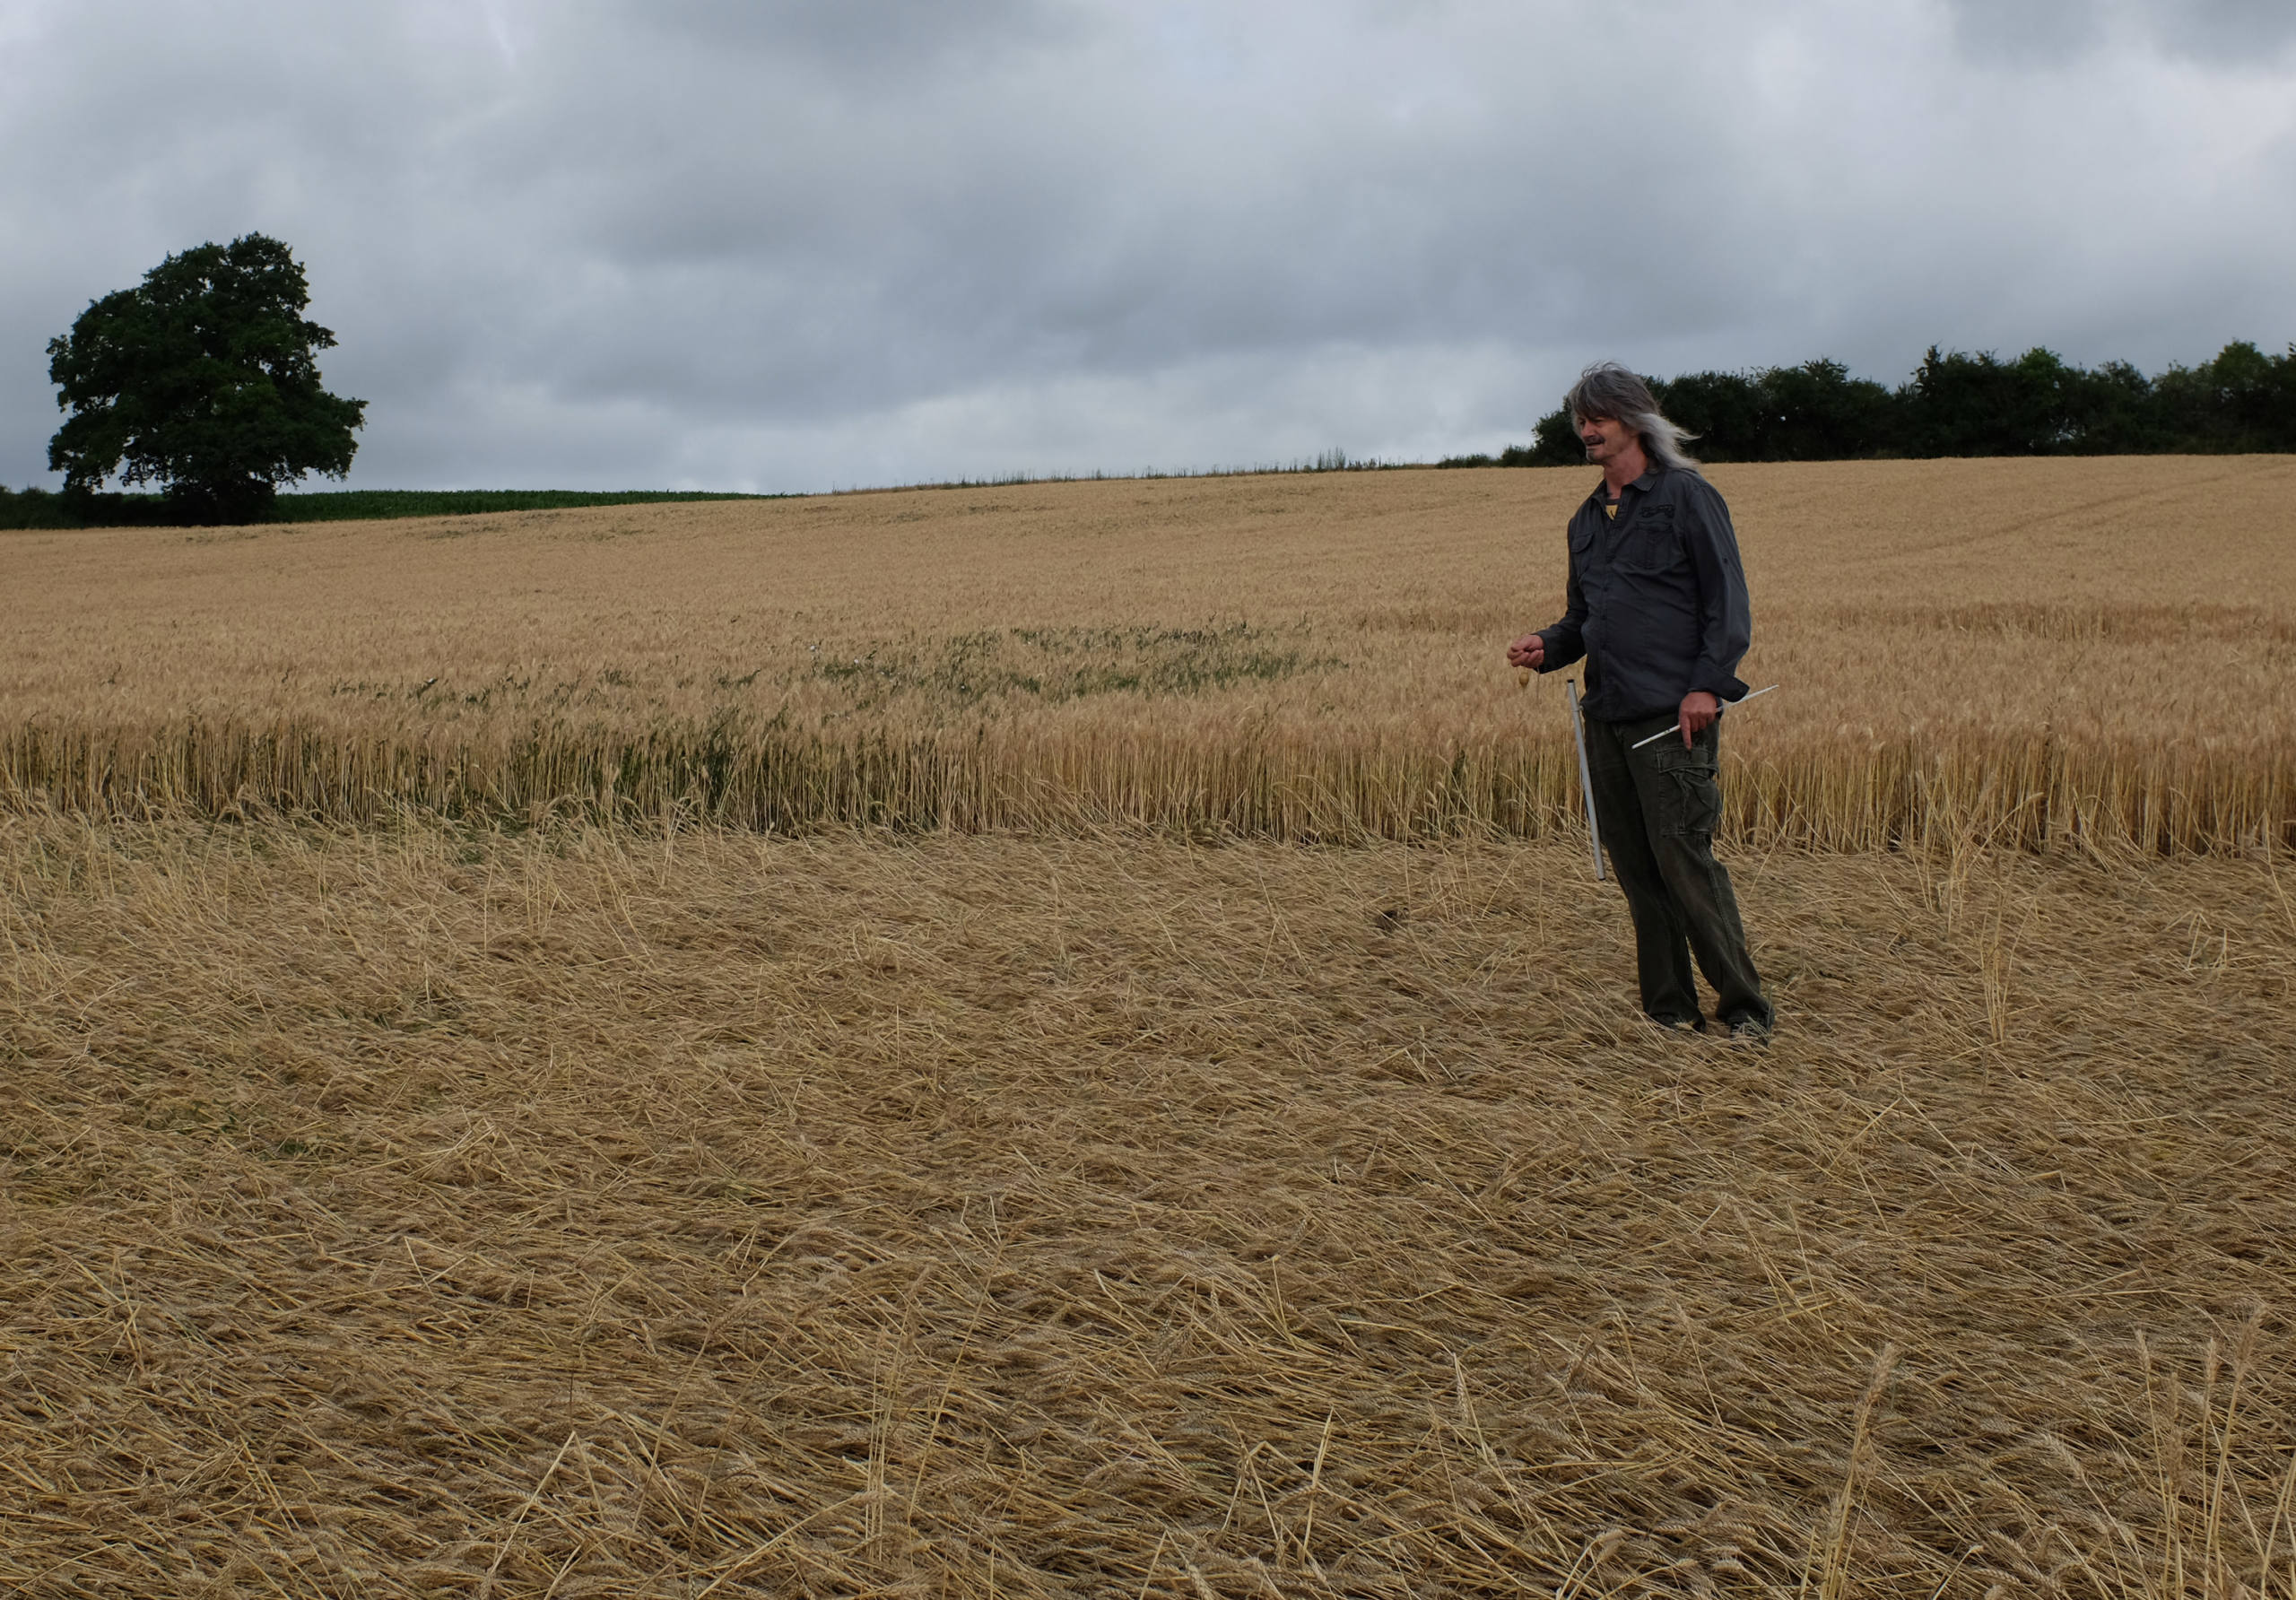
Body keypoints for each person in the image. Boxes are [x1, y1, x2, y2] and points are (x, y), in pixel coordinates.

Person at [1507, 362, 1775, 1041]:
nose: (1585, 431)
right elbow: (1583, 620)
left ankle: (1744, 1009)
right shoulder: (1587, 520)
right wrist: (1547, 644)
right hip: (1607, 716)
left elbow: (1727, 602)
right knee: (1636, 871)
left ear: (1633, 420)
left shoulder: (1687, 497)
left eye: (1596, 419)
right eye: (1580, 421)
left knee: (1685, 862)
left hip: (1672, 719)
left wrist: (1708, 685)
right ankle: (1669, 1011)